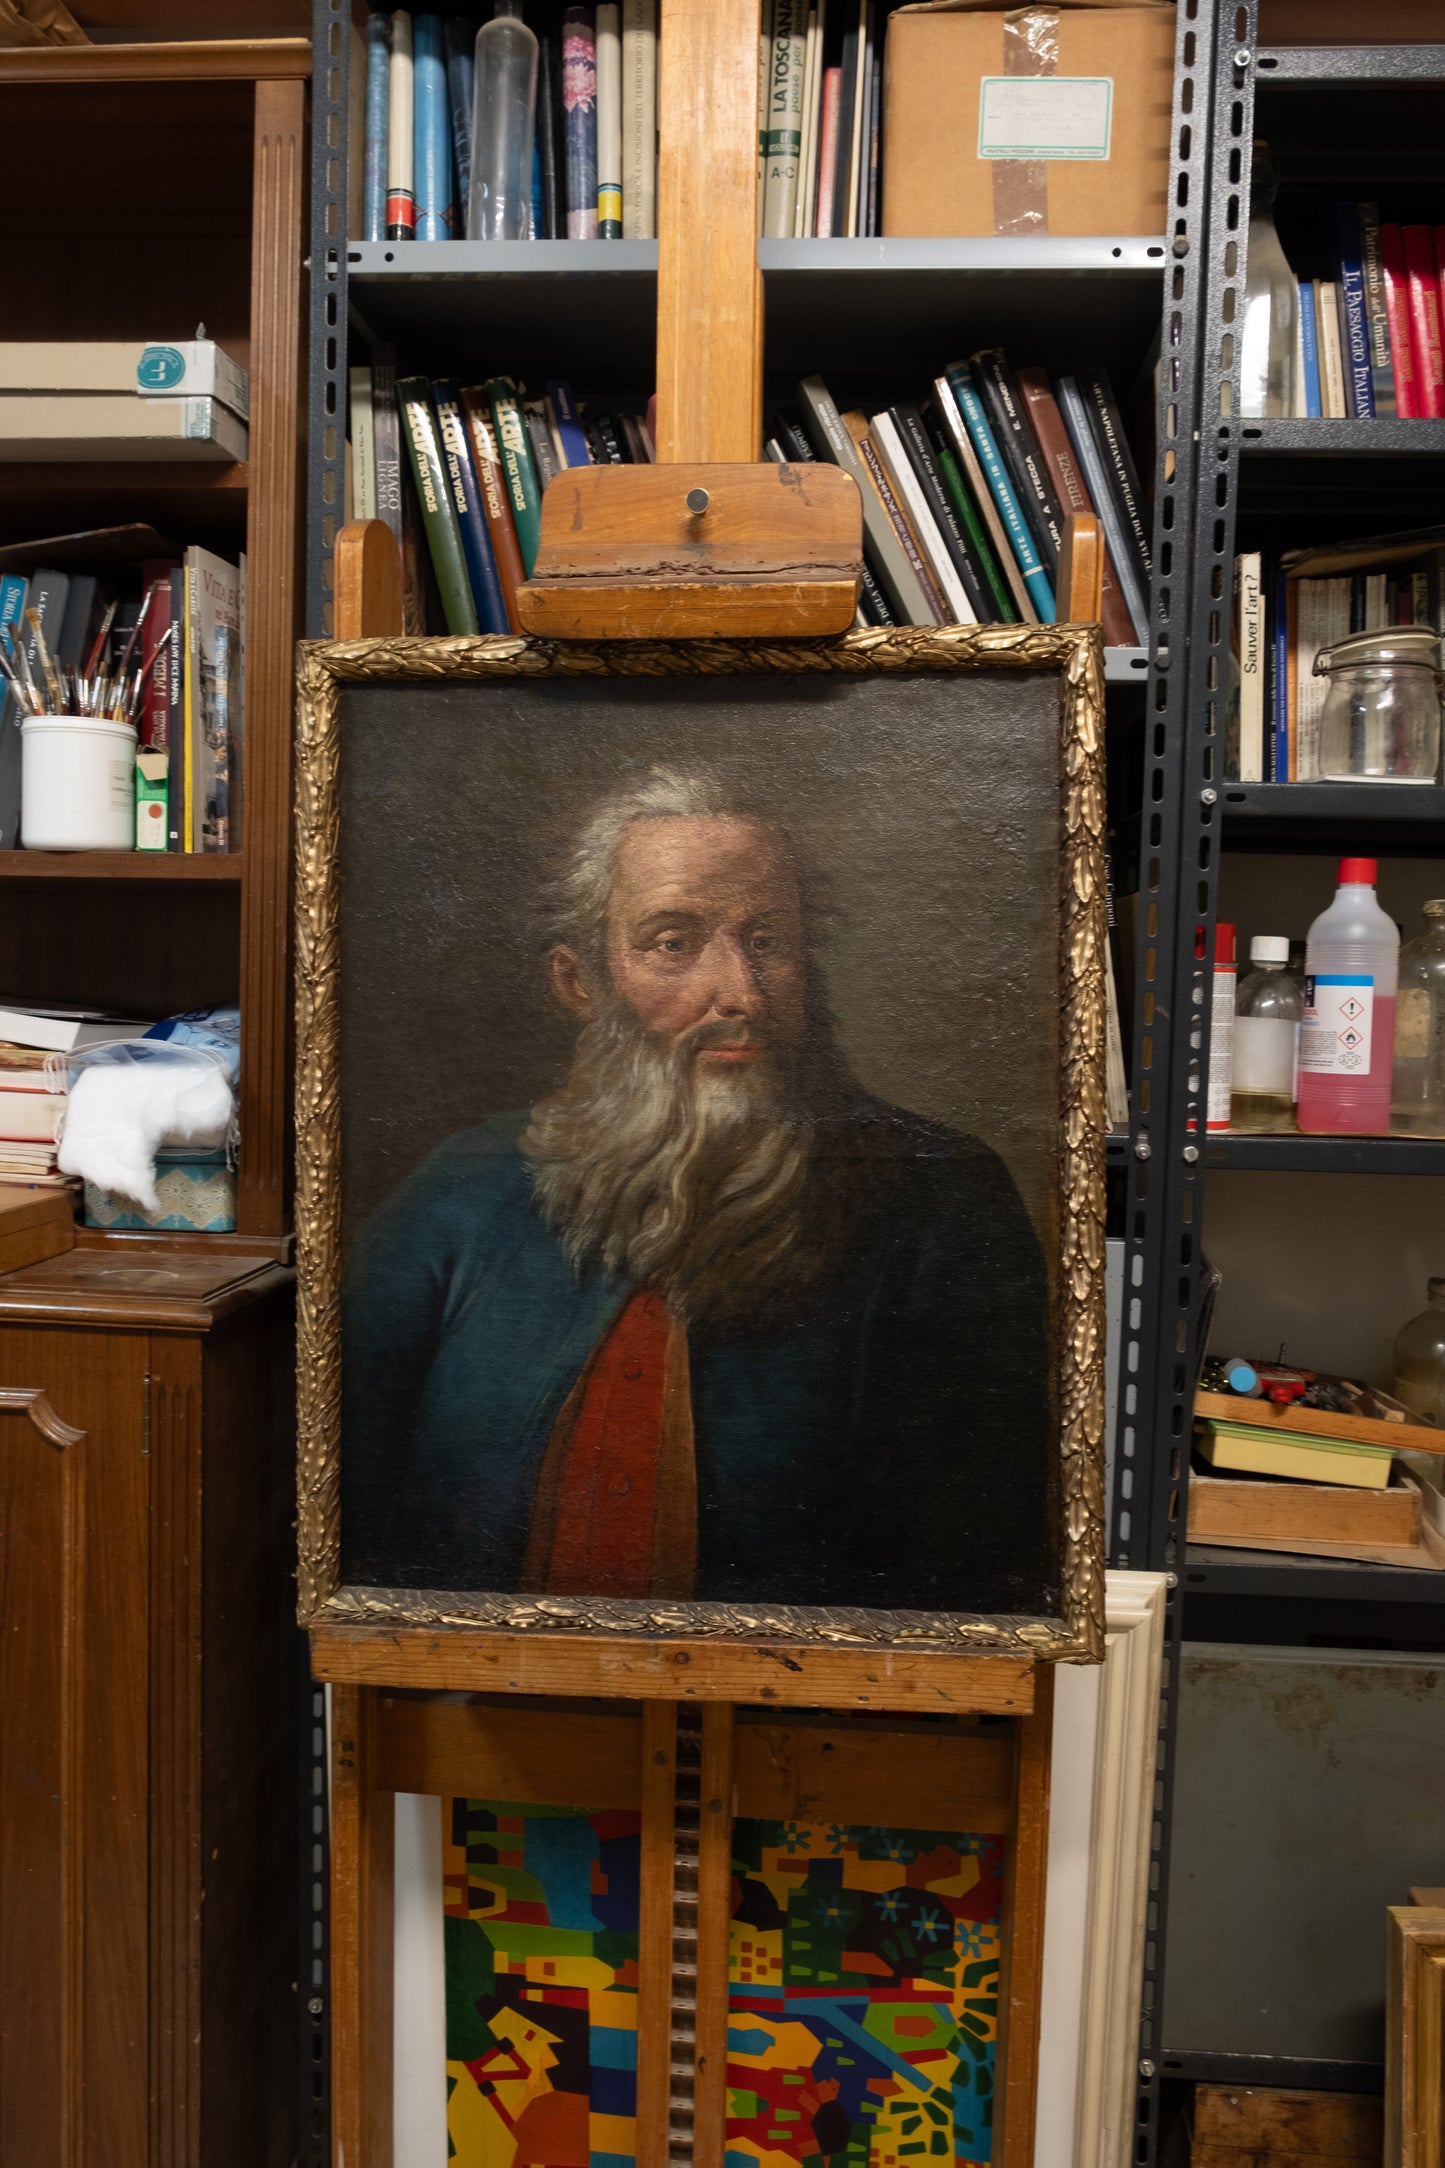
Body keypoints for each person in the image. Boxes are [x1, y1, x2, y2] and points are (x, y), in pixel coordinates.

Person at [342, 768, 1054, 1617]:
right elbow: (346, 1506)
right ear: (580, 981)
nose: (740, 995)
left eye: (767, 941)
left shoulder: (942, 1197)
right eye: (673, 942)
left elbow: (973, 1568)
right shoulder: (457, 1195)